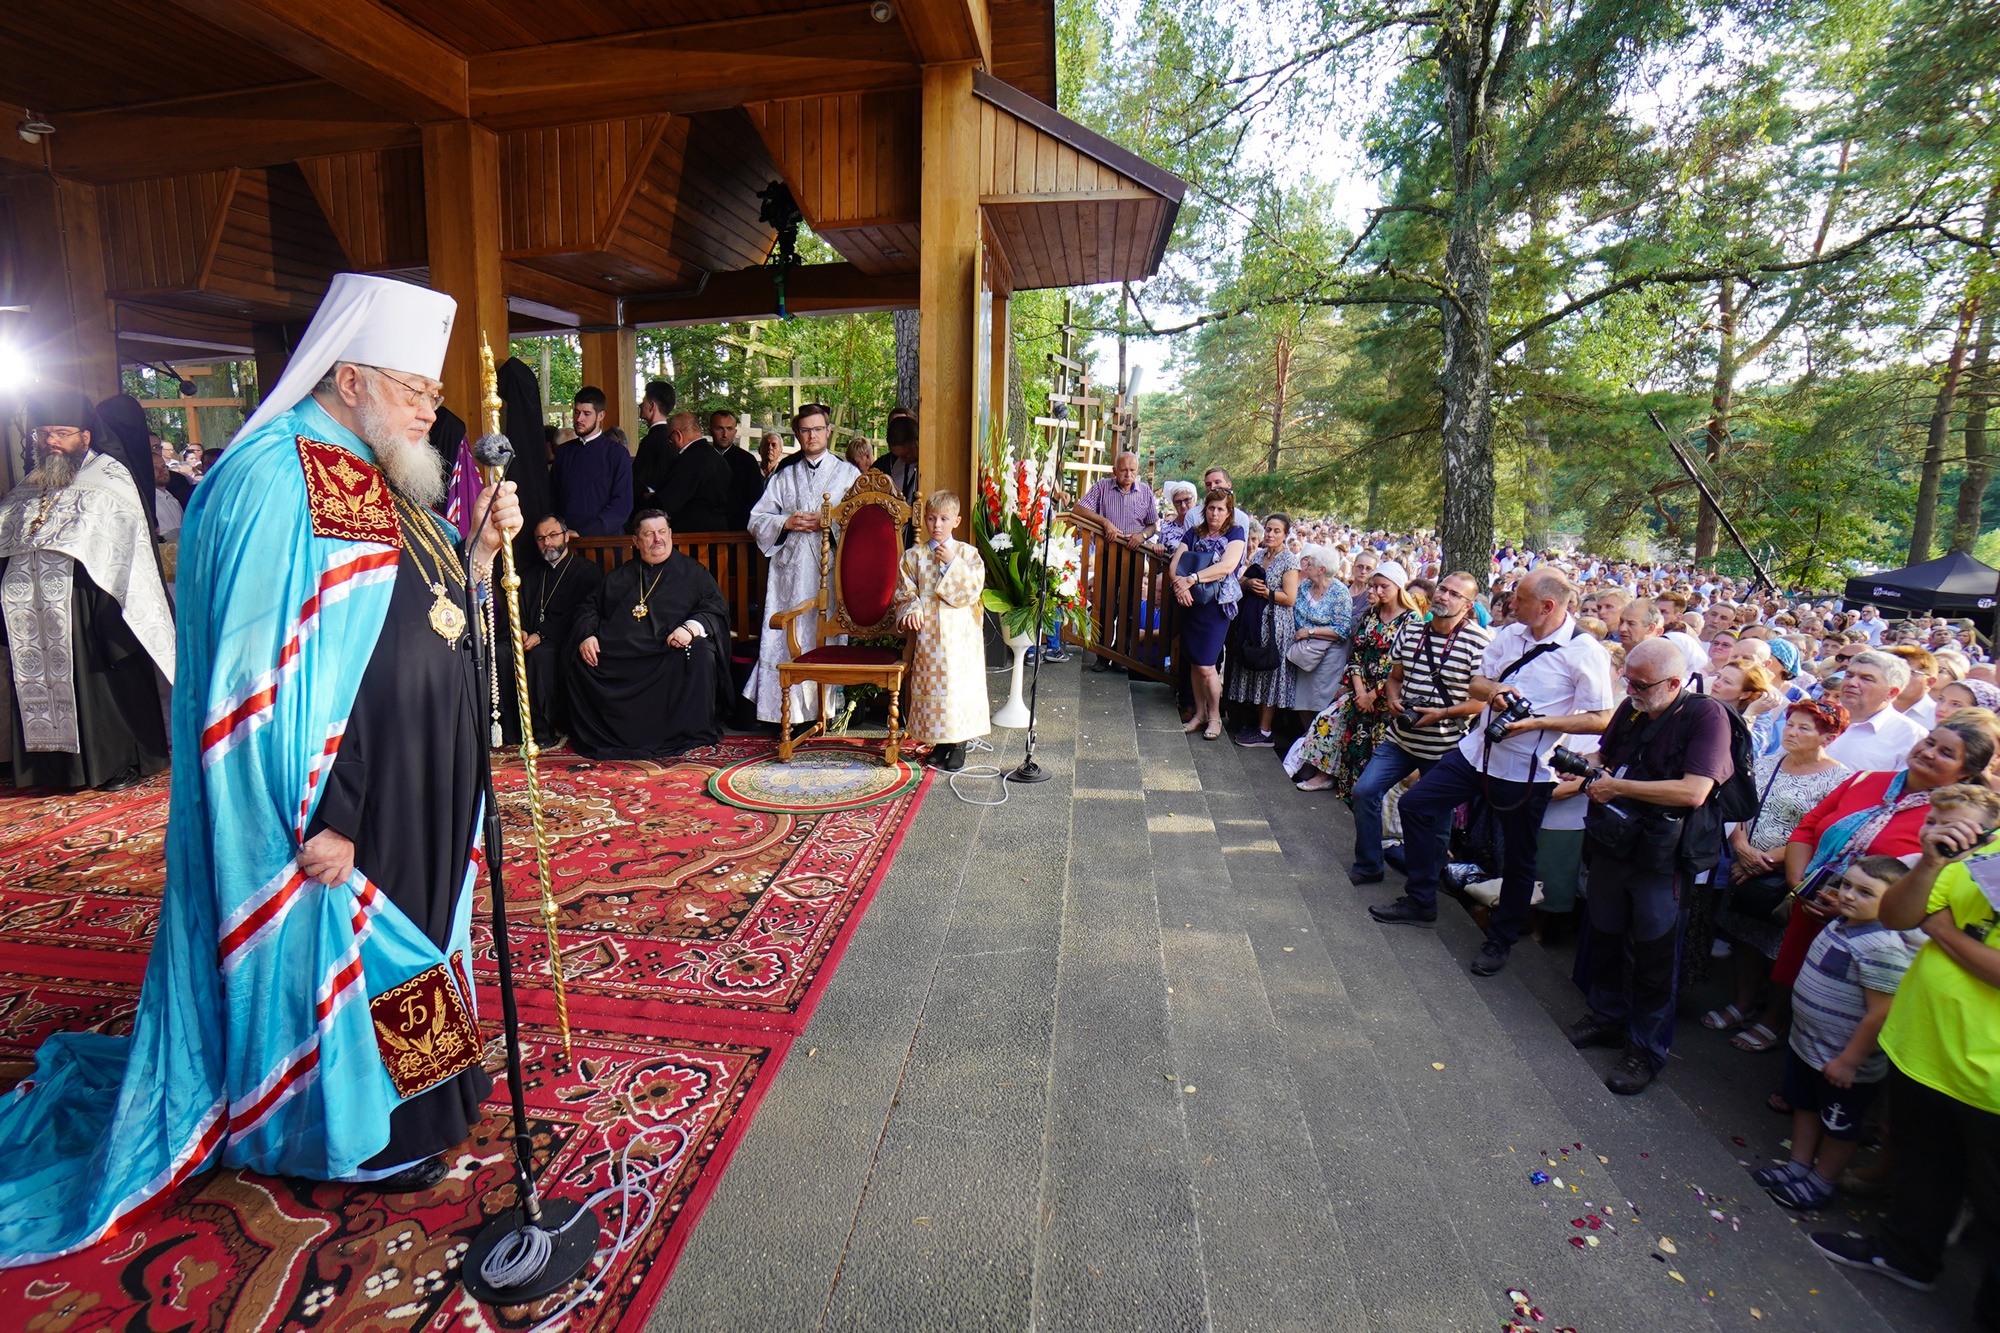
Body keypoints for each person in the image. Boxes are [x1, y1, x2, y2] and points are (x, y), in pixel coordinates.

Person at [0, 274, 523, 1266]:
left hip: (412, 771)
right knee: (364, 948)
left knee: (414, 935)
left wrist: (474, 550)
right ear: (353, 375)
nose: (430, 404)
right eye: (413, 384)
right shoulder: (274, 475)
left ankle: (420, 1103)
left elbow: (415, 612)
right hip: (338, 799)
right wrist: (321, 808)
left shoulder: (375, 465)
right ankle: (350, 1134)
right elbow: (262, 677)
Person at [1813, 778, 2000, 1319]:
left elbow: (1937, 930)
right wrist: (1929, 865)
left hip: (1990, 1079)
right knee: (1925, 1167)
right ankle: (1905, 1256)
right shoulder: (1980, 847)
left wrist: (1942, 932)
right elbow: (1898, 916)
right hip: (1924, 1047)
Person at [1371, 567, 1617, 977]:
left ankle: (1500, 940)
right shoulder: (1511, 634)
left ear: (1548, 606)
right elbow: (1478, 682)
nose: (1510, 605)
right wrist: (1498, 693)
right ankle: (1421, 898)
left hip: (1527, 770)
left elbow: (1601, 718)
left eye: (1519, 599)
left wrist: (1539, 723)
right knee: (1416, 805)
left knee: (1519, 860)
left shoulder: (1584, 651)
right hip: (1476, 752)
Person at [1563, 639, 1737, 1093]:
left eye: (1640, 684)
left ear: (1674, 683)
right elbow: (1608, 755)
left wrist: (1618, 789)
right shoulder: (1634, 706)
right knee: (1604, 932)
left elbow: (1694, 791)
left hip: (1663, 856)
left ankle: (1646, 1050)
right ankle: (1607, 1018)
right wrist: (1582, 765)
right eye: (1628, 680)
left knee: (1655, 954)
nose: (1631, 689)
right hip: (1616, 843)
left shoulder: (1706, 716)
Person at [0, 392, 175, 792]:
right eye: (44, 434)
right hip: (35, 610)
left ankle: (116, 763)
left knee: (99, 687)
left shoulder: (110, 477)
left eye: (62, 433)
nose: (51, 442)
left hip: (91, 603)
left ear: (85, 435)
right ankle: (53, 768)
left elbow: (123, 543)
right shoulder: (30, 484)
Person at [1750, 849, 1920, 1209]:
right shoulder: (1840, 923)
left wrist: (1850, 1061)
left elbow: (1881, 1013)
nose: (1847, 895)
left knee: (1839, 1124)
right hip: (1809, 1047)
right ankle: (1798, 1165)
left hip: (1843, 1062)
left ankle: (1822, 1180)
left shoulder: (1883, 948)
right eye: (1846, 885)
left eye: (1865, 892)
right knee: (1805, 1106)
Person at [1707, 699, 1851, 1050]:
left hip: (1790, 875)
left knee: (1781, 948)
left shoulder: (1841, 779)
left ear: (1828, 737)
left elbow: (1824, 834)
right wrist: (1741, 846)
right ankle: (1743, 1003)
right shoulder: (1766, 762)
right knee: (1745, 936)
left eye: (1804, 728)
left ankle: (1773, 1019)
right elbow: (1738, 809)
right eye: (1790, 724)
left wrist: (1768, 859)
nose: (1792, 732)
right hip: (1746, 868)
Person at [1341, 570, 1492, 882]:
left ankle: (1428, 882)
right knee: (1365, 791)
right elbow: (1395, 677)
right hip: (1401, 737)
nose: (1444, 596)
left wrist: (1444, 713)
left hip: (1444, 746)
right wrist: (1394, 700)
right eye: (1443, 589)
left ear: (1468, 605)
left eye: (1454, 594)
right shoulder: (1412, 632)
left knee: (1437, 818)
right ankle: (1369, 865)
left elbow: (1483, 701)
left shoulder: (1479, 643)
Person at [567, 510, 730, 760]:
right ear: (635, 541)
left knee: (700, 653)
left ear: (671, 535)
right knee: (580, 659)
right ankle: (611, 734)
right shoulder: (619, 577)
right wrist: (587, 635)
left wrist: (691, 628)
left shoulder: (693, 573)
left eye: (662, 532)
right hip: (623, 654)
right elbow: (589, 607)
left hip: (667, 651)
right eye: (649, 534)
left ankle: (683, 733)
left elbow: (714, 607)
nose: (657, 539)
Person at [745, 405, 861, 726]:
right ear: (798, 435)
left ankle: (824, 711)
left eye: (817, 429)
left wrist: (830, 523)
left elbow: (862, 522)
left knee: (824, 635)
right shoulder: (784, 476)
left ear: (828, 431)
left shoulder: (849, 475)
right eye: (805, 431)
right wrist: (787, 521)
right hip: (790, 574)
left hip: (830, 571)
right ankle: (786, 714)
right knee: (789, 636)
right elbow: (757, 520)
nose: (812, 436)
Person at [1295, 565, 1422, 798]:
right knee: (1351, 740)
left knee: (1379, 749)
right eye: (1374, 586)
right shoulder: (1371, 614)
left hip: (1388, 696)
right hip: (1360, 689)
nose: (1378, 591)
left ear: (1398, 587)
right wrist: (1360, 690)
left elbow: (1403, 665)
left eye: (1384, 586)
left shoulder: (1412, 620)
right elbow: (1357, 653)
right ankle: (1348, 792)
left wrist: (1373, 694)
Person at [894, 491, 989, 772]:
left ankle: (958, 743)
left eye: (944, 519)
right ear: (924, 519)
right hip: (929, 637)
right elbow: (904, 591)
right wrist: (911, 610)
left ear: (956, 521)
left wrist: (951, 563)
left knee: (956, 687)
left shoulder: (967, 554)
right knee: (934, 687)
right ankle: (941, 742)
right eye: (932, 518)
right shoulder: (914, 556)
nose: (937, 524)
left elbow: (972, 589)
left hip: (959, 636)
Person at [1168, 490, 1247, 740]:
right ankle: (1199, 713)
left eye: (1220, 509)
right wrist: (1179, 586)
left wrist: (1192, 578)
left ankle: (1215, 716)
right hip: (1192, 602)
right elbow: (1175, 563)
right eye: (1211, 508)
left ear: (1228, 512)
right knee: (1193, 661)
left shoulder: (1235, 533)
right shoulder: (1194, 532)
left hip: (1216, 606)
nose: (1215, 513)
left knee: (1206, 665)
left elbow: (1227, 566)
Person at [518, 514, 602, 746]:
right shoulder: (531, 575)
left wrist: (542, 634)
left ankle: (542, 728)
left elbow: (582, 613)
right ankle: (510, 727)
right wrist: (522, 631)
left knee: (541, 654)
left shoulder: (587, 572)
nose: (547, 543)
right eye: (541, 538)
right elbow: (521, 608)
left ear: (566, 536)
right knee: (505, 651)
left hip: (565, 639)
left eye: (553, 535)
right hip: (531, 638)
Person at [1226, 514, 1301, 747]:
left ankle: (1266, 730)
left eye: (1277, 531)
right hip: (1254, 622)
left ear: (1285, 535)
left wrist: (1264, 592)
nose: (1270, 534)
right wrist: (1248, 584)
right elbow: (1241, 581)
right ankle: (1253, 721)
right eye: (1268, 529)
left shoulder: (1290, 561)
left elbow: (1289, 598)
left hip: (1276, 624)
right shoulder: (1258, 555)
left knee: (1270, 674)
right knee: (1253, 672)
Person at [1823, 649, 1928, 772]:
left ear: (1891, 693)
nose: (1852, 682)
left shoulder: (1910, 735)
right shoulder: (1817, 714)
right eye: (1849, 675)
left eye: (1866, 679)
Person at [550, 385, 633, 535]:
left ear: (600, 416)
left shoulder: (617, 454)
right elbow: (553, 498)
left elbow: (622, 504)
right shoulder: (563, 452)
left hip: (606, 542)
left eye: (586, 414)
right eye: (576, 413)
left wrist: (584, 532)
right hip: (568, 539)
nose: (579, 419)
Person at [638, 407, 730, 534]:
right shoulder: (718, 458)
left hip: (694, 537)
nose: (671, 444)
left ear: (678, 435)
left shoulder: (689, 460)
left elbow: (668, 503)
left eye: (670, 439)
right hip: (721, 533)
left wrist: (649, 501)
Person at [1288, 544, 1354, 719]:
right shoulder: (1304, 587)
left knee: (1320, 700)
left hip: (1329, 652)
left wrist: (1309, 632)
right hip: (1304, 651)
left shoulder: (1339, 592)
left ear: (1321, 569)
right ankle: (1305, 739)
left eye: (1310, 564)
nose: (1306, 566)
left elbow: (1342, 630)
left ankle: (1316, 738)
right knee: (1301, 699)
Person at [710, 410, 765, 530]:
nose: (725, 434)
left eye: (729, 429)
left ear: (735, 432)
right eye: (719, 429)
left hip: (739, 529)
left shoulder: (747, 461)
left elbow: (755, 499)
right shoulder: (701, 459)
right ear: (710, 430)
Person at [871, 413, 920, 507]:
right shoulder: (897, 465)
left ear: (917, 441)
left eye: (907, 454)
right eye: (899, 456)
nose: (903, 460)